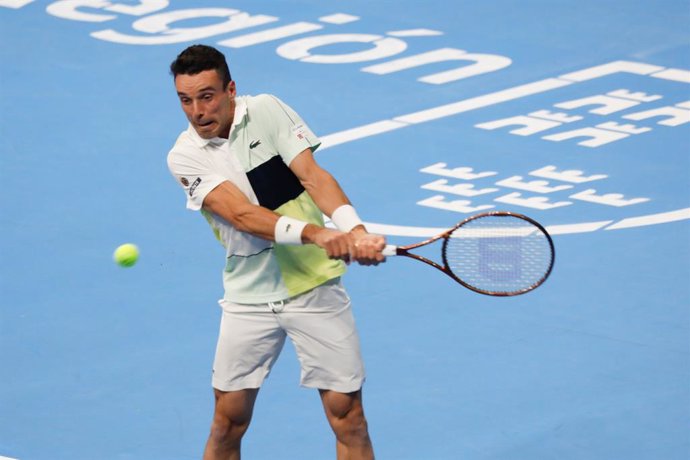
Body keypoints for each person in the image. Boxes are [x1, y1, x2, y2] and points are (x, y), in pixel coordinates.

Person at [166, 44, 385, 460]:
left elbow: (313, 176)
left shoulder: (266, 110)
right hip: (247, 297)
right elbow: (244, 216)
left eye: (207, 96)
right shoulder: (185, 156)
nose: (197, 111)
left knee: (348, 416)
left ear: (231, 89)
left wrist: (354, 229)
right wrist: (318, 235)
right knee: (227, 420)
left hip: (314, 288)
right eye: (185, 100)